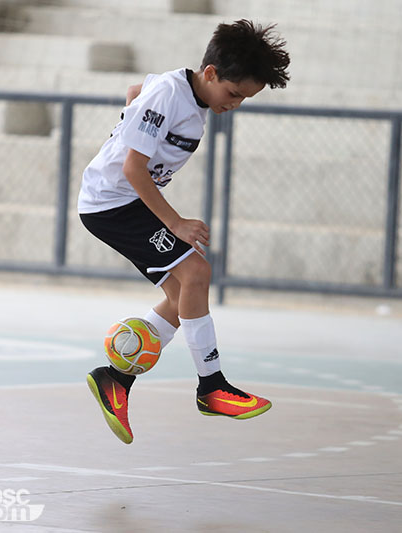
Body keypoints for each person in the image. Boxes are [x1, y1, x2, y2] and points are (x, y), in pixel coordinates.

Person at [78, 19, 291, 444]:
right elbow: (133, 168)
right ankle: (212, 387)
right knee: (196, 274)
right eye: (233, 94)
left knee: (183, 298)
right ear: (210, 73)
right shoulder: (169, 95)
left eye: (245, 99)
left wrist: (130, 115)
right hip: (113, 204)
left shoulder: (177, 90)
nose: (236, 104)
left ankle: (115, 379)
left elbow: (139, 91)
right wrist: (174, 221)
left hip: (125, 202)